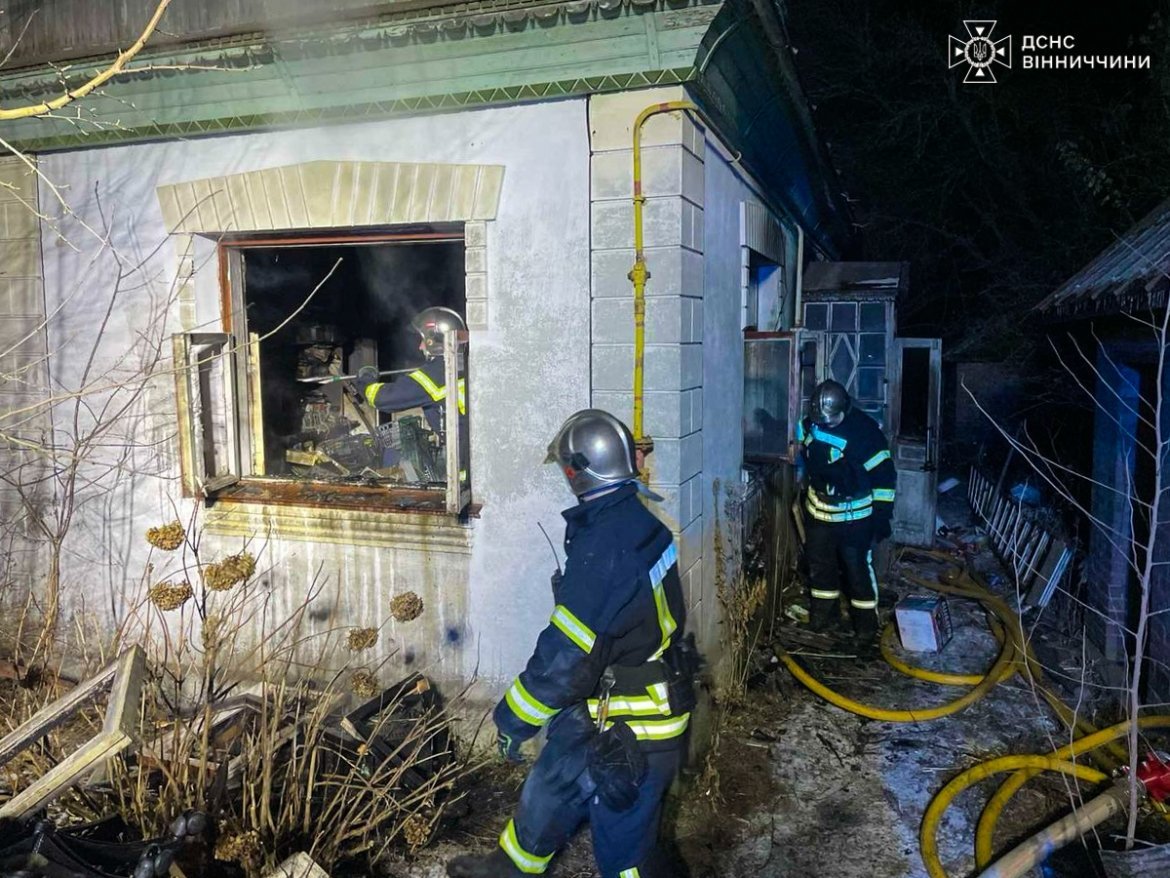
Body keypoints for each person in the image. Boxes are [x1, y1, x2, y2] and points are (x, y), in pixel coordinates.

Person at [446, 409, 697, 878]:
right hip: (611, 703)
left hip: (636, 726)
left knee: (626, 857)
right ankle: (508, 868)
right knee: (551, 786)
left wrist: (514, 720)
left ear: (578, 472)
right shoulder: (634, 521)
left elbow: (566, 661)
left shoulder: (606, 547)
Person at [795, 380, 896, 655]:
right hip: (819, 512)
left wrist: (882, 515)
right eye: (821, 421)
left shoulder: (864, 433)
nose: (825, 425)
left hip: (855, 517)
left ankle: (865, 629)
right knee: (820, 568)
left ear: (844, 408)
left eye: (831, 420)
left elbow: (884, 476)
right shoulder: (809, 424)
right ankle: (823, 618)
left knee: (857, 572)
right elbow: (800, 449)